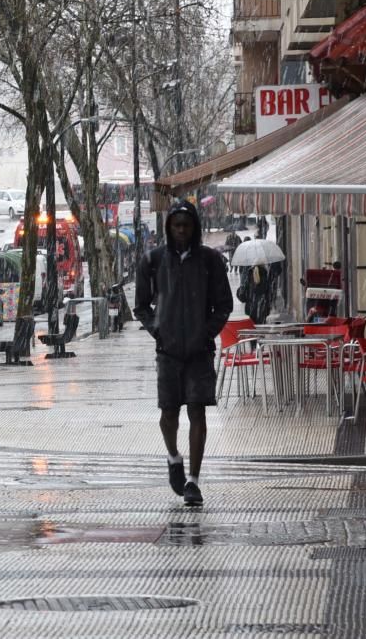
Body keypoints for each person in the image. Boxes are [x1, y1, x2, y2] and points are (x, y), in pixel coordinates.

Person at [134, 199, 233, 507]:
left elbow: (224, 305)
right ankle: (173, 457)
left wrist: (206, 332)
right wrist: (158, 329)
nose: (181, 231)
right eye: (176, 225)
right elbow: (141, 306)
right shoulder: (153, 260)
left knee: (197, 411)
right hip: (168, 352)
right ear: (168, 227)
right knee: (168, 413)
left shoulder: (210, 260)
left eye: (186, 226)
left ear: (195, 228)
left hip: (199, 352)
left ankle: (193, 480)